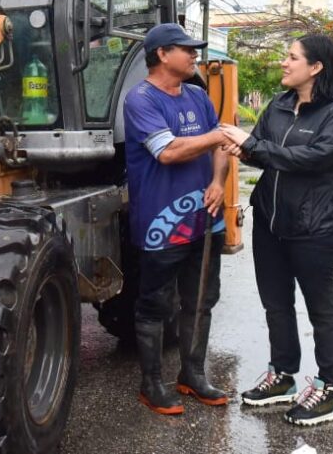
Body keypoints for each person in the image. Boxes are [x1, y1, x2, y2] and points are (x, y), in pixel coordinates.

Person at [219, 34, 333, 426]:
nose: (284, 62)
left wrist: (255, 147)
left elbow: (313, 159)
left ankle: (329, 391)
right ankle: (282, 376)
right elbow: (263, 150)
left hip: (315, 227)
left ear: (315, 67)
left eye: (292, 57)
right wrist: (243, 148)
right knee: (276, 305)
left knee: (322, 310)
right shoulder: (280, 105)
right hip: (270, 221)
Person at [123, 23, 230, 415]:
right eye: (187, 49)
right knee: (155, 305)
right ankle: (151, 384)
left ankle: (193, 375)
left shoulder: (199, 96)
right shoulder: (141, 100)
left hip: (208, 220)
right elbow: (167, 152)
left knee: (201, 300)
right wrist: (219, 136)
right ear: (162, 54)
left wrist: (218, 180)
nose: (195, 55)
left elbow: (220, 146)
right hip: (162, 225)